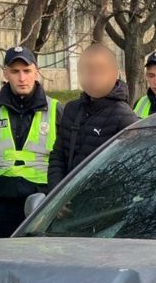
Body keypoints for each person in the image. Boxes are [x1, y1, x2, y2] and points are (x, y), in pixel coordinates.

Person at [0, 45, 59, 236]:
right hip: (4, 206)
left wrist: (56, 199)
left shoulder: (56, 111)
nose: (22, 77)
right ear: (5, 74)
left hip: (45, 204)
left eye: (27, 71)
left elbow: (68, 159)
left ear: (36, 72)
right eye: (15, 71)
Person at [47, 44, 138, 187]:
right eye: (87, 70)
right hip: (66, 199)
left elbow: (130, 170)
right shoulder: (72, 109)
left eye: (100, 71)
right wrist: (56, 193)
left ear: (115, 74)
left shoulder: (124, 117)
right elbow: (58, 156)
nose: (93, 76)